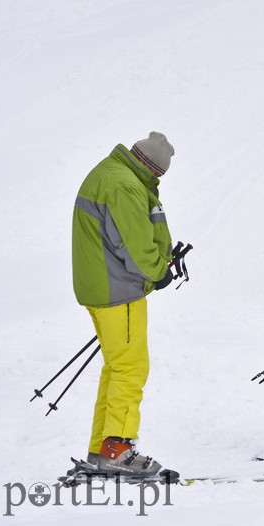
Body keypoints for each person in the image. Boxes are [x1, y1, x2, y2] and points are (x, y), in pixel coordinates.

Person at [71, 131, 176, 476]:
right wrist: (159, 271)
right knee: (131, 369)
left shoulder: (108, 173)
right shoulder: (126, 186)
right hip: (118, 291)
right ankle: (119, 449)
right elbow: (134, 246)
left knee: (116, 368)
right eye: (159, 175)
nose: (158, 180)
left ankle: (103, 449)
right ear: (151, 168)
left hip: (101, 287)